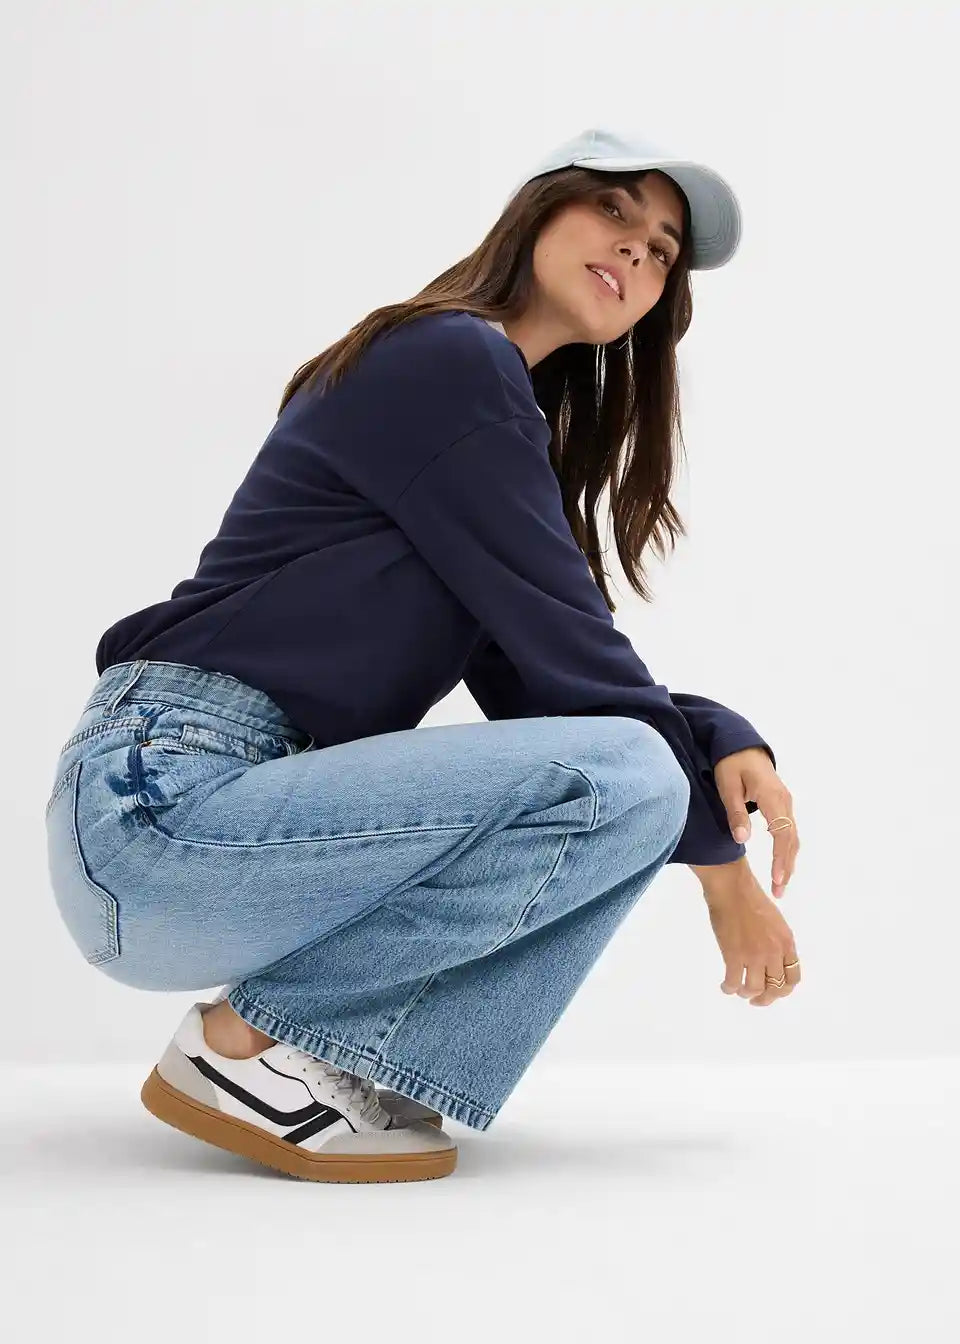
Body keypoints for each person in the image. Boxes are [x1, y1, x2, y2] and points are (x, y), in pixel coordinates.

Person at [43, 125, 801, 1185]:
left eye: (664, 250)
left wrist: (721, 738)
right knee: (630, 773)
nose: (638, 248)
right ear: (539, 210)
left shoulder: (488, 419)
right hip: (165, 805)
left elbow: (550, 675)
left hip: (213, 833)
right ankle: (254, 1047)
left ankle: (323, 1057)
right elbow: (586, 677)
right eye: (615, 208)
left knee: (626, 773)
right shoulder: (450, 358)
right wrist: (725, 877)